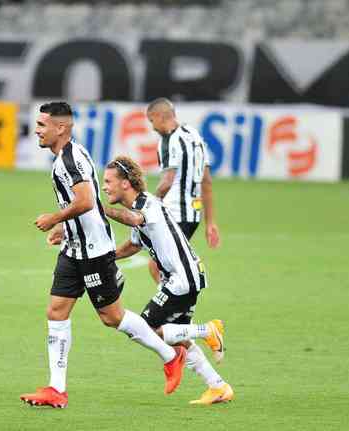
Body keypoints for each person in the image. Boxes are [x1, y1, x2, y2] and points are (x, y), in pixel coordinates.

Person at [20, 102, 186, 409]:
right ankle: (57, 389)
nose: (37, 130)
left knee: (113, 318)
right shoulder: (73, 153)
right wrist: (66, 230)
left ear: (61, 128)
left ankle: (171, 354)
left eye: (43, 125)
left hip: (94, 254)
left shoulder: (68, 161)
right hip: (74, 250)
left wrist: (55, 218)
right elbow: (88, 204)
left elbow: (85, 201)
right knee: (56, 311)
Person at [102, 155, 234, 405]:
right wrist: (107, 258)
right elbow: (133, 244)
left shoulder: (147, 204)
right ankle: (218, 387)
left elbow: (134, 220)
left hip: (182, 278)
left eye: (109, 181)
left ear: (126, 184)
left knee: (145, 328)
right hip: (186, 276)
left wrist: (98, 208)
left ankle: (208, 330)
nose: (104, 186)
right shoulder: (138, 208)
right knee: (179, 339)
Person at [146, 97, 220, 284]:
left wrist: (149, 204)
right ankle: (174, 306)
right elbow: (207, 181)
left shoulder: (169, 140)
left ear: (160, 117)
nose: (153, 128)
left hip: (175, 212)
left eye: (152, 121)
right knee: (168, 263)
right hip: (193, 215)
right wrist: (210, 222)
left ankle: (173, 308)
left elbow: (167, 182)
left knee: (158, 265)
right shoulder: (195, 136)